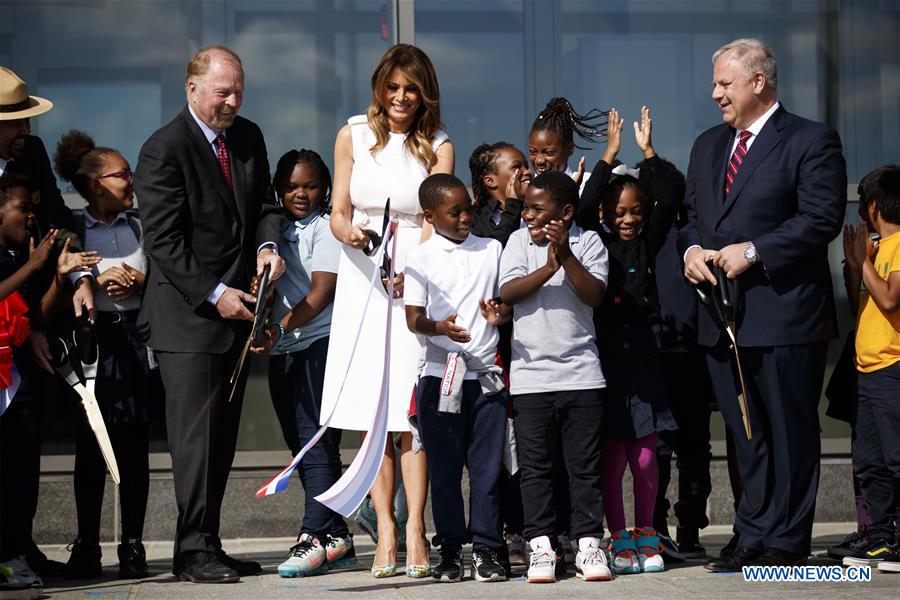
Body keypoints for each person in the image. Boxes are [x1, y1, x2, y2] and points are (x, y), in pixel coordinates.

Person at [679, 38, 847, 570]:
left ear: (758, 82)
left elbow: (820, 219)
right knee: (744, 434)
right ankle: (751, 539)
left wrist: (752, 252)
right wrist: (690, 250)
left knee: (790, 433)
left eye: (724, 84)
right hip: (722, 319)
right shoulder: (707, 145)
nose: (714, 94)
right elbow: (690, 215)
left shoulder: (810, 140)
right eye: (714, 84)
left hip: (785, 315)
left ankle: (786, 544)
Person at [134, 45, 284, 584]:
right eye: (223, 91)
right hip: (188, 317)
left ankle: (208, 543)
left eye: (239, 90)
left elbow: (266, 207)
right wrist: (216, 292)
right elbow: (166, 243)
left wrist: (268, 247)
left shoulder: (248, 137)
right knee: (195, 440)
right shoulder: (163, 150)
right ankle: (191, 552)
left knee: (220, 440)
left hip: (237, 314)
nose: (233, 101)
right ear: (192, 88)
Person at [322, 43, 454, 578]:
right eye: (392, 87)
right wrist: (348, 233)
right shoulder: (351, 134)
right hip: (360, 273)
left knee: (410, 413)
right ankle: (386, 532)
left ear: (424, 94)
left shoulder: (438, 144)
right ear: (380, 87)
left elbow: (434, 217)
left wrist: (415, 272)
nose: (401, 97)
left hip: (412, 274)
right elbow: (337, 209)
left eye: (411, 88)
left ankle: (417, 529)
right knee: (368, 412)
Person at [0, 67, 95, 579]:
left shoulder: (31, 157)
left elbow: (58, 220)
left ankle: (21, 544)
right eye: (15, 123)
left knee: (24, 440)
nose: (26, 133)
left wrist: (78, 272)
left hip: (31, 322)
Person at [577, 106, 680, 574]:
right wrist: (609, 156)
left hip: (644, 353)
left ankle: (647, 535)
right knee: (614, 454)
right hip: (605, 357)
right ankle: (618, 538)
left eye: (636, 211)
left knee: (645, 454)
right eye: (619, 211)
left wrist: (649, 153)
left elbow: (671, 194)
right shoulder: (596, 237)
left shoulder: (648, 240)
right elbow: (580, 209)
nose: (629, 219)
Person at [499, 170, 611, 584]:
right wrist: (548, 266)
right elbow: (507, 293)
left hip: (583, 376)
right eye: (525, 206)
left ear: (566, 212)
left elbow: (594, 294)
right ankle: (541, 546)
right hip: (531, 379)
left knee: (583, 468)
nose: (527, 214)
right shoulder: (515, 242)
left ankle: (587, 545)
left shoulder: (589, 242)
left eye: (537, 208)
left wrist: (565, 256)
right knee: (536, 469)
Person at [52, 130, 153, 580]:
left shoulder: (139, 225)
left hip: (135, 339)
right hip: (93, 342)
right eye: (122, 174)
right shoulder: (75, 230)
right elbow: (65, 277)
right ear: (95, 185)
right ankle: (87, 545)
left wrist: (138, 280)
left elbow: (159, 274)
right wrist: (84, 279)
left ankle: (132, 544)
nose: (131, 181)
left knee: (134, 448)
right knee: (91, 447)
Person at [404, 174, 510, 583]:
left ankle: (487, 549)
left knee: (485, 471)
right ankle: (449, 551)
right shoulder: (422, 257)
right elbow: (414, 318)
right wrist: (439, 328)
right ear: (431, 216)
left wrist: (502, 316)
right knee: (445, 472)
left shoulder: (492, 249)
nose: (466, 216)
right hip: (440, 377)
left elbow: (506, 301)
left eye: (468, 208)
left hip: (485, 380)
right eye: (455, 212)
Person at [259, 149, 356, 578]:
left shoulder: (324, 229)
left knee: (314, 444)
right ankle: (337, 537)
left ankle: (313, 537)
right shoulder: (276, 229)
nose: (301, 193)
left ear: (325, 189)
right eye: (293, 186)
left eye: (311, 185)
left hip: (317, 344)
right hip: (282, 350)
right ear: (279, 190)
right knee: (302, 446)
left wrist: (278, 328)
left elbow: (321, 294)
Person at [841, 165, 900, 571]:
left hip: (893, 367)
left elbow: (892, 298)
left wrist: (862, 261)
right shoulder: (878, 248)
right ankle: (881, 537)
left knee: (896, 457)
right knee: (870, 460)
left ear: (873, 206)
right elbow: (859, 300)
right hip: (868, 368)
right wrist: (854, 265)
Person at [528, 97, 606, 194]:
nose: (539, 160)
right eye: (533, 152)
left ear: (569, 150)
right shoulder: (525, 186)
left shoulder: (585, 184)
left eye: (548, 153)